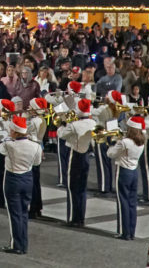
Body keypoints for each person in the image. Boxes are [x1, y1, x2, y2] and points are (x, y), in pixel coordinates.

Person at [0, 115, 42, 255]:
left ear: (15, 132)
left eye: (11, 130)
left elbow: (0, 149)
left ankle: (16, 245)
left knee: (14, 214)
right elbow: (37, 163)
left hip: (13, 179)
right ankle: (23, 244)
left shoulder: (9, 144)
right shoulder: (35, 145)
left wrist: (5, 138)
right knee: (23, 212)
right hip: (28, 178)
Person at [57, 97, 95, 227]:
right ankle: (81, 218)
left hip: (75, 154)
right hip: (85, 156)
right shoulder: (92, 123)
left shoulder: (75, 125)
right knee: (82, 188)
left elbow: (61, 134)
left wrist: (63, 123)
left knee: (72, 187)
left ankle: (73, 218)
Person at [106, 116, 146, 241]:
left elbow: (111, 154)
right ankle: (131, 231)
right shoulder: (141, 141)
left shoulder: (124, 142)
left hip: (123, 171)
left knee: (122, 201)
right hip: (134, 172)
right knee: (132, 203)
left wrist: (111, 143)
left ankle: (124, 232)